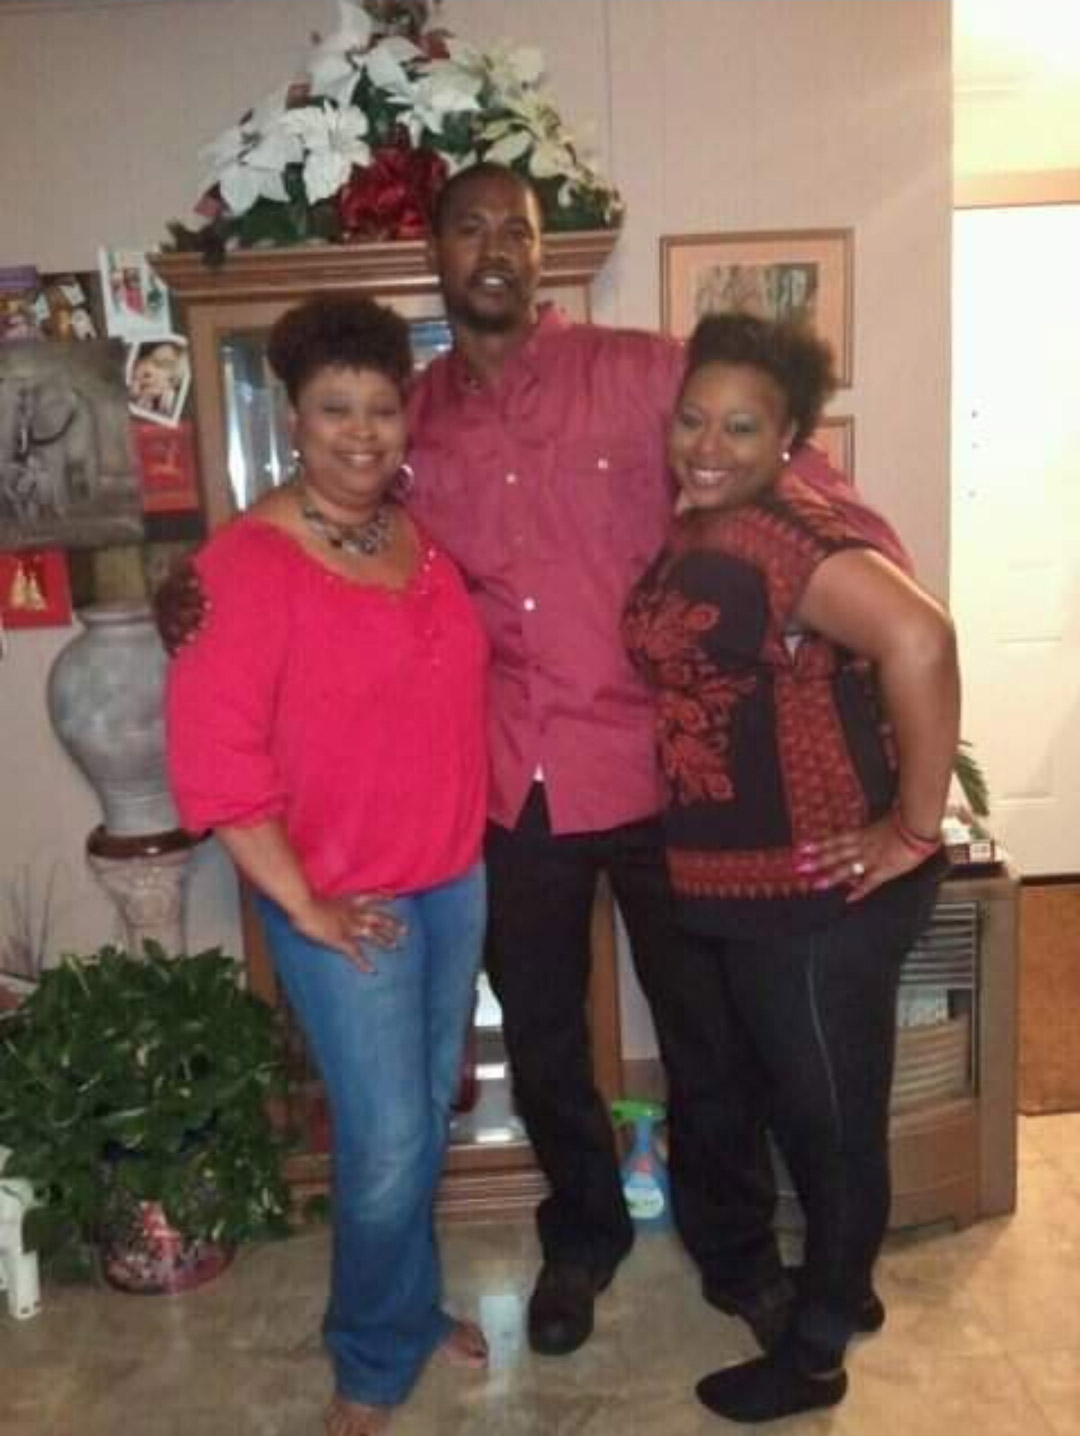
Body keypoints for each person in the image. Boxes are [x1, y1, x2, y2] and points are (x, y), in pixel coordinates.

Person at [157, 161, 903, 1362]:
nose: (494, 245)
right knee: (548, 1038)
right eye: (470, 227)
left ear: (546, 252)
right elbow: (313, 530)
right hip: (512, 785)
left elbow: (784, 458)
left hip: (666, 773)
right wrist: (185, 582)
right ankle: (585, 1236)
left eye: (517, 226)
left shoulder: (644, 371)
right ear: (440, 254)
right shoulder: (413, 418)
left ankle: (733, 1243)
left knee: (709, 1034)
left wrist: (868, 567)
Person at [623, 311, 959, 1422]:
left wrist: (910, 828)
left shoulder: (788, 535)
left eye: (740, 424)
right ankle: (842, 1285)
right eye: (692, 417)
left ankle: (815, 1352)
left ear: (789, 438)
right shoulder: (706, 522)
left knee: (830, 1121)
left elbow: (921, 640)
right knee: (804, 1107)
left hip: (819, 895)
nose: (705, 442)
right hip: (748, 889)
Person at [164, 295, 491, 1436]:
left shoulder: (417, 539)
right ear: (290, 415)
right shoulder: (243, 566)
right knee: (387, 1135)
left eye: (383, 407)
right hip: (347, 901)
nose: (363, 430)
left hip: (452, 877)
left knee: (424, 1116)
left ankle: (408, 1310)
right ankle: (367, 1352)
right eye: (335, 407)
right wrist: (303, 903)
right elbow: (213, 762)